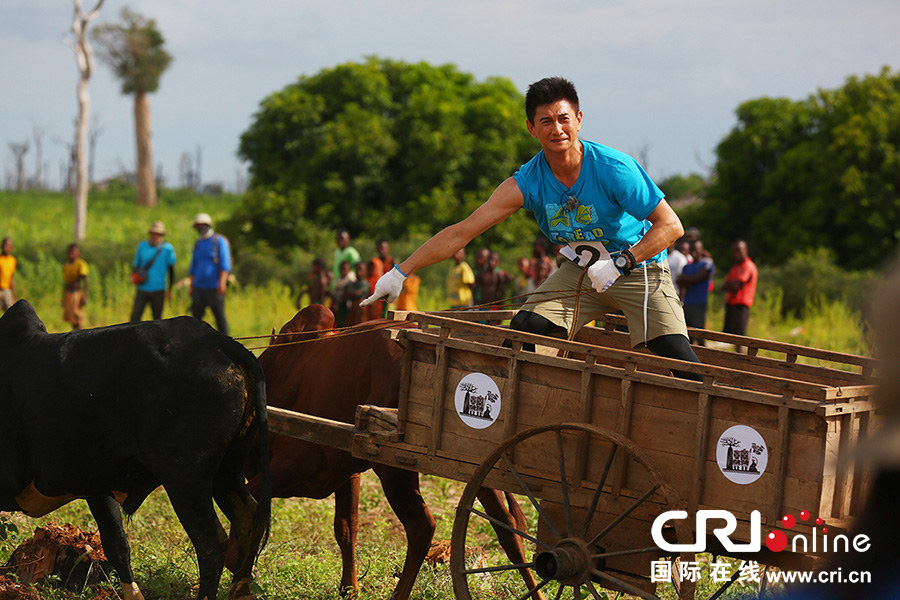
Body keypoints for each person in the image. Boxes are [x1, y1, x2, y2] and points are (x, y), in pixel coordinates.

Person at [362, 76, 701, 375]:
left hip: (637, 269)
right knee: (525, 328)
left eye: (564, 119)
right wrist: (401, 271)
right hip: (580, 273)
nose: (557, 129)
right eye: (546, 121)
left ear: (579, 120)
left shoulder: (614, 169)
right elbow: (462, 231)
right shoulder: (527, 182)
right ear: (531, 128)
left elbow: (671, 226)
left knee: (674, 355)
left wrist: (621, 261)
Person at [189, 213, 232, 335]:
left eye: (202, 225)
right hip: (198, 287)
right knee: (195, 320)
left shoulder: (218, 241)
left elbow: (225, 265)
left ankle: (227, 345)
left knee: (220, 319)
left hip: (214, 288)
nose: (200, 228)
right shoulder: (198, 243)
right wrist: (191, 286)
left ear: (208, 225)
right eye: (198, 226)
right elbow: (194, 266)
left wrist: (222, 283)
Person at [129, 221, 176, 321]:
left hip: (158, 289)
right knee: (135, 317)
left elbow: (171, 270)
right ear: (150, 233)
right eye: (154, 233)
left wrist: (170, 289)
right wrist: (134, 277)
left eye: (158, 234)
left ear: (162, 235)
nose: (156, 236)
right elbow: (136, 265)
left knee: (157, 319)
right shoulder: (142, 246)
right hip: (142, 288)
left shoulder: (167, 249)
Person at [676, 239, 714, 345]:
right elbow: (680, 282)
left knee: (700, 335)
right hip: (687, 303)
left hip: (699, 304)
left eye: (696, 250)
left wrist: (687, 279)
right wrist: (691, 280)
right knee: (688, 335)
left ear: (701, 250)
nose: (693, 253)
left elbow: (699, 277)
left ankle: (706, 359)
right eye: (691, 250)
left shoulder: (707, 263)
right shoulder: (687, 267)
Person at [722, 239, 758, 348]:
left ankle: (741, 363)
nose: (736, 254)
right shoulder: (735, 267)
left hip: (741, 306)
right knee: (731, 338)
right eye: (734, 251)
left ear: (745, 250)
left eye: (739, 250)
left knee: (740, 339)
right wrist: (730, 285)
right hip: (731, 305)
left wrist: (731, 285)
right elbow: (725, 286)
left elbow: (736, 285)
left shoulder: (747, 266)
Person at [62, 243, 89, 330]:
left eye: (73, 252)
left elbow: (86, 282)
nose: (71, 254)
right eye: (69, 252)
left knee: (77, 317)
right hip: (68, 293)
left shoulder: (80, 264)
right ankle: (75, 334)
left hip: (76, 294)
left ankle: (80, 335)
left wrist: (84, 296)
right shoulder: (66, 265)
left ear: (78, 253)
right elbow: (66, 283)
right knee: (71, 317)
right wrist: (63, 297)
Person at [367, 239, 394, 318]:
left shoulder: (392, 262)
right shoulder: (374, 262)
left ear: (388, 249)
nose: (382, 251)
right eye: (380, 248)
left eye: (384, 248)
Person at [344, 262, 372, 326]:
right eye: (356, 269)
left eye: (360, 269)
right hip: (352, 310)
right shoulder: (352, 283)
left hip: (361, 311)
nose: (358, 272)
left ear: (365, 271)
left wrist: (351, 292)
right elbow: (346, 293)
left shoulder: (365, 284)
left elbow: (359, 294)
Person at [332, 259, 356, 327]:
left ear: (349, 269)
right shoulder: (339, 278)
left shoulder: (351, 278)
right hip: (340, 304)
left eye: (344, 268)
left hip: (348, 305)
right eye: (341, 268)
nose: (343, 270)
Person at [0, 237, 17, 312]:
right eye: (5, 245)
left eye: (8, 246)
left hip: (7, 291)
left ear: (11, 248)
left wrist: (13, 295)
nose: (6, 248)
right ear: (1, 246)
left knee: (11, 313)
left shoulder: (12, 260)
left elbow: (11, 278)